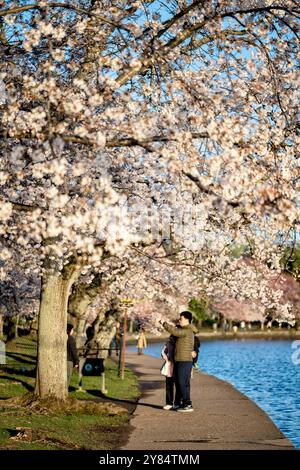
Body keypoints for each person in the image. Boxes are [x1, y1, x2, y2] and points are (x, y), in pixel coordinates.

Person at [160, 311, 197, 412]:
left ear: (187, 320)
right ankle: (182, 403)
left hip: (184, 360)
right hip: (180, 360)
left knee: (182, 382)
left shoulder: (188, 330)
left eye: (181, 319)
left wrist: (163, 323)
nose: (179, 320)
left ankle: (187, 404)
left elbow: (175, 332)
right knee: (181, 382)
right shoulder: (185, 329)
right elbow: (175, 331)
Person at [160, 335, 176, 410]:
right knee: (169, 386)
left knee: (179, 385)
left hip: (178, 365)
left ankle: (178, 403)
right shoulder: (168, 343)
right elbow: (163, 352)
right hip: (170, 366)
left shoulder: (181, 341)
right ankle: (169, 403)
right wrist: (166, 358)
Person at [67, 323, 79, 390]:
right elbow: (73, 351)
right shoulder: (71, 339)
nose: (73, 331)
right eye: (72, 330)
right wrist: (76, 362)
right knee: (68, 377)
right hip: (69, 360)